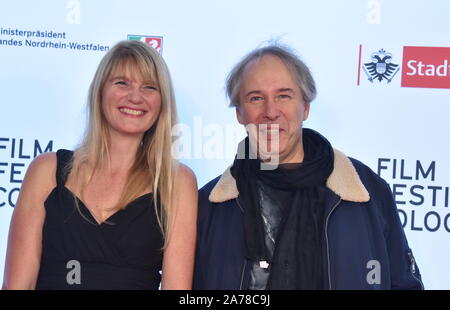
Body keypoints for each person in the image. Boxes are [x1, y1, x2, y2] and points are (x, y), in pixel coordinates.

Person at [193, 44, 423, 290]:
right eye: (256, 98)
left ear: (306, 107)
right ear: (239, 113)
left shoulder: (368, 191)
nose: (271, 112)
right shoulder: (209, 205)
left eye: (284, 95)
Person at [2, 40, 198, 290]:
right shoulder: (46, 171)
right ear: (100, 91)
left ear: (162, 103)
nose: (136, 97)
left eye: (150, 87)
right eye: (122, 83)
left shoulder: (177, 181)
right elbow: (17, 285)